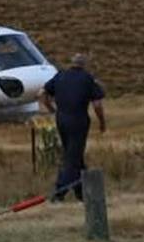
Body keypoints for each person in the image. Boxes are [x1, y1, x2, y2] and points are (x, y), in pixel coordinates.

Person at [39, 53, 107, 201]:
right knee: (73, 159)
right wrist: (102, 122)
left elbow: (42, 92)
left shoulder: (60, 76)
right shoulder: (87, 78)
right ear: (84, 65)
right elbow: (97, 104)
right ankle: (59, 193)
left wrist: (51, 109)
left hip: (61, 120)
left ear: (72, 63)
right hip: (78, 120)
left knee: (74, 155)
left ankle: (81, 193)